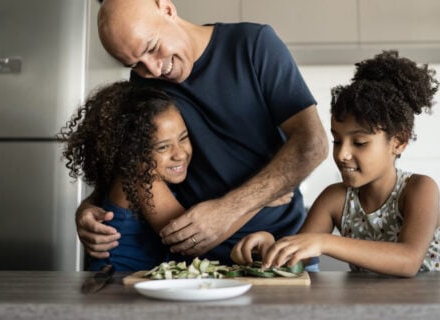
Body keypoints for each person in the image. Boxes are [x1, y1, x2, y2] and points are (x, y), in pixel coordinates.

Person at [75, 0, 328, 266]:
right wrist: (90, 206)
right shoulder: (144, 83)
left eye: (152, 48)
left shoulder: (252, 44)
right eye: (135, 64)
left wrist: (230, 208)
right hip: (198, 266)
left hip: (279, 253)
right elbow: (130, 166)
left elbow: (312, 144)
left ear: (168, 9)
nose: (153, 69)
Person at [231, 51, 440, 277]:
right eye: (337, 140)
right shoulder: (335, 199)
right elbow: (294, 262)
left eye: (360, 142)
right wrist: (269, 248)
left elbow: (408, 261)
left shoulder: (420, 189)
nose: (342, 154)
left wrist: (324, 242)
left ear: (399, 142)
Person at [59, 81, 190, 271]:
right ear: (131, 153)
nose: (180, 154)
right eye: (162, 147)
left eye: (183, 138)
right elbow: (187, 237)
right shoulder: (143, 180)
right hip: (116, 290)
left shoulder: (140, 175)